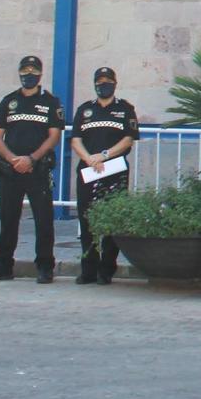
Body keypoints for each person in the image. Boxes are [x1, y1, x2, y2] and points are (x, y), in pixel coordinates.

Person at [0, 53, 63, 284]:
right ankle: (3, 266)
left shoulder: (50, 102)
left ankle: (45, 266)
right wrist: (14, 159)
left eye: (33, 72)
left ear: (40, 74)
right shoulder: (9, 101)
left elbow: (54, 136)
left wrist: (32, 159)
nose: (29, 76)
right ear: (19, 73)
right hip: (11, 170)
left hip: (37, 170)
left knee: (44, 220)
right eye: (25, 72)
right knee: (8, 219)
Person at [70, 65, 139, 284]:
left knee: (112, 220)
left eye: (107, 82)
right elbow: (75, 140)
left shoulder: (125, 109)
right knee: (87, 219)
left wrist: (104, 155)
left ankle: (106, 270)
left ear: (115, 84)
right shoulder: (84, 110)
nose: (103, 86)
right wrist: (89, 158)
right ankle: (88, 269)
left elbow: (128, 139)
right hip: (89, 170)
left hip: (114, 170)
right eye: (99, 83)